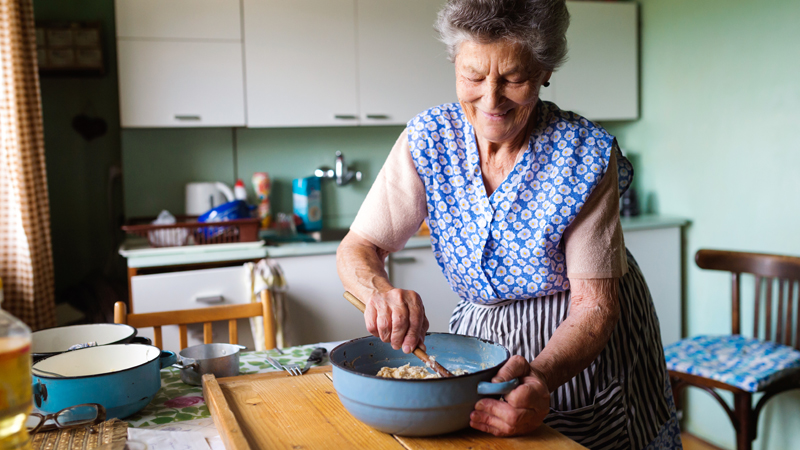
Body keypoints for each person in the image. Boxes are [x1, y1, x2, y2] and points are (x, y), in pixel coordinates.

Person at [336, 1, 681, 449]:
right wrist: (378, 292)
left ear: (545, 71)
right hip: (482, 340)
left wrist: (539, 375)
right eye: (473, 77)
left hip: (578, 342)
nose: (491, 99)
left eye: (514, 78)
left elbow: (594, 307)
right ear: (455, 65)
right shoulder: (428, 138)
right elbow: (358, 246)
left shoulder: (585, 155)